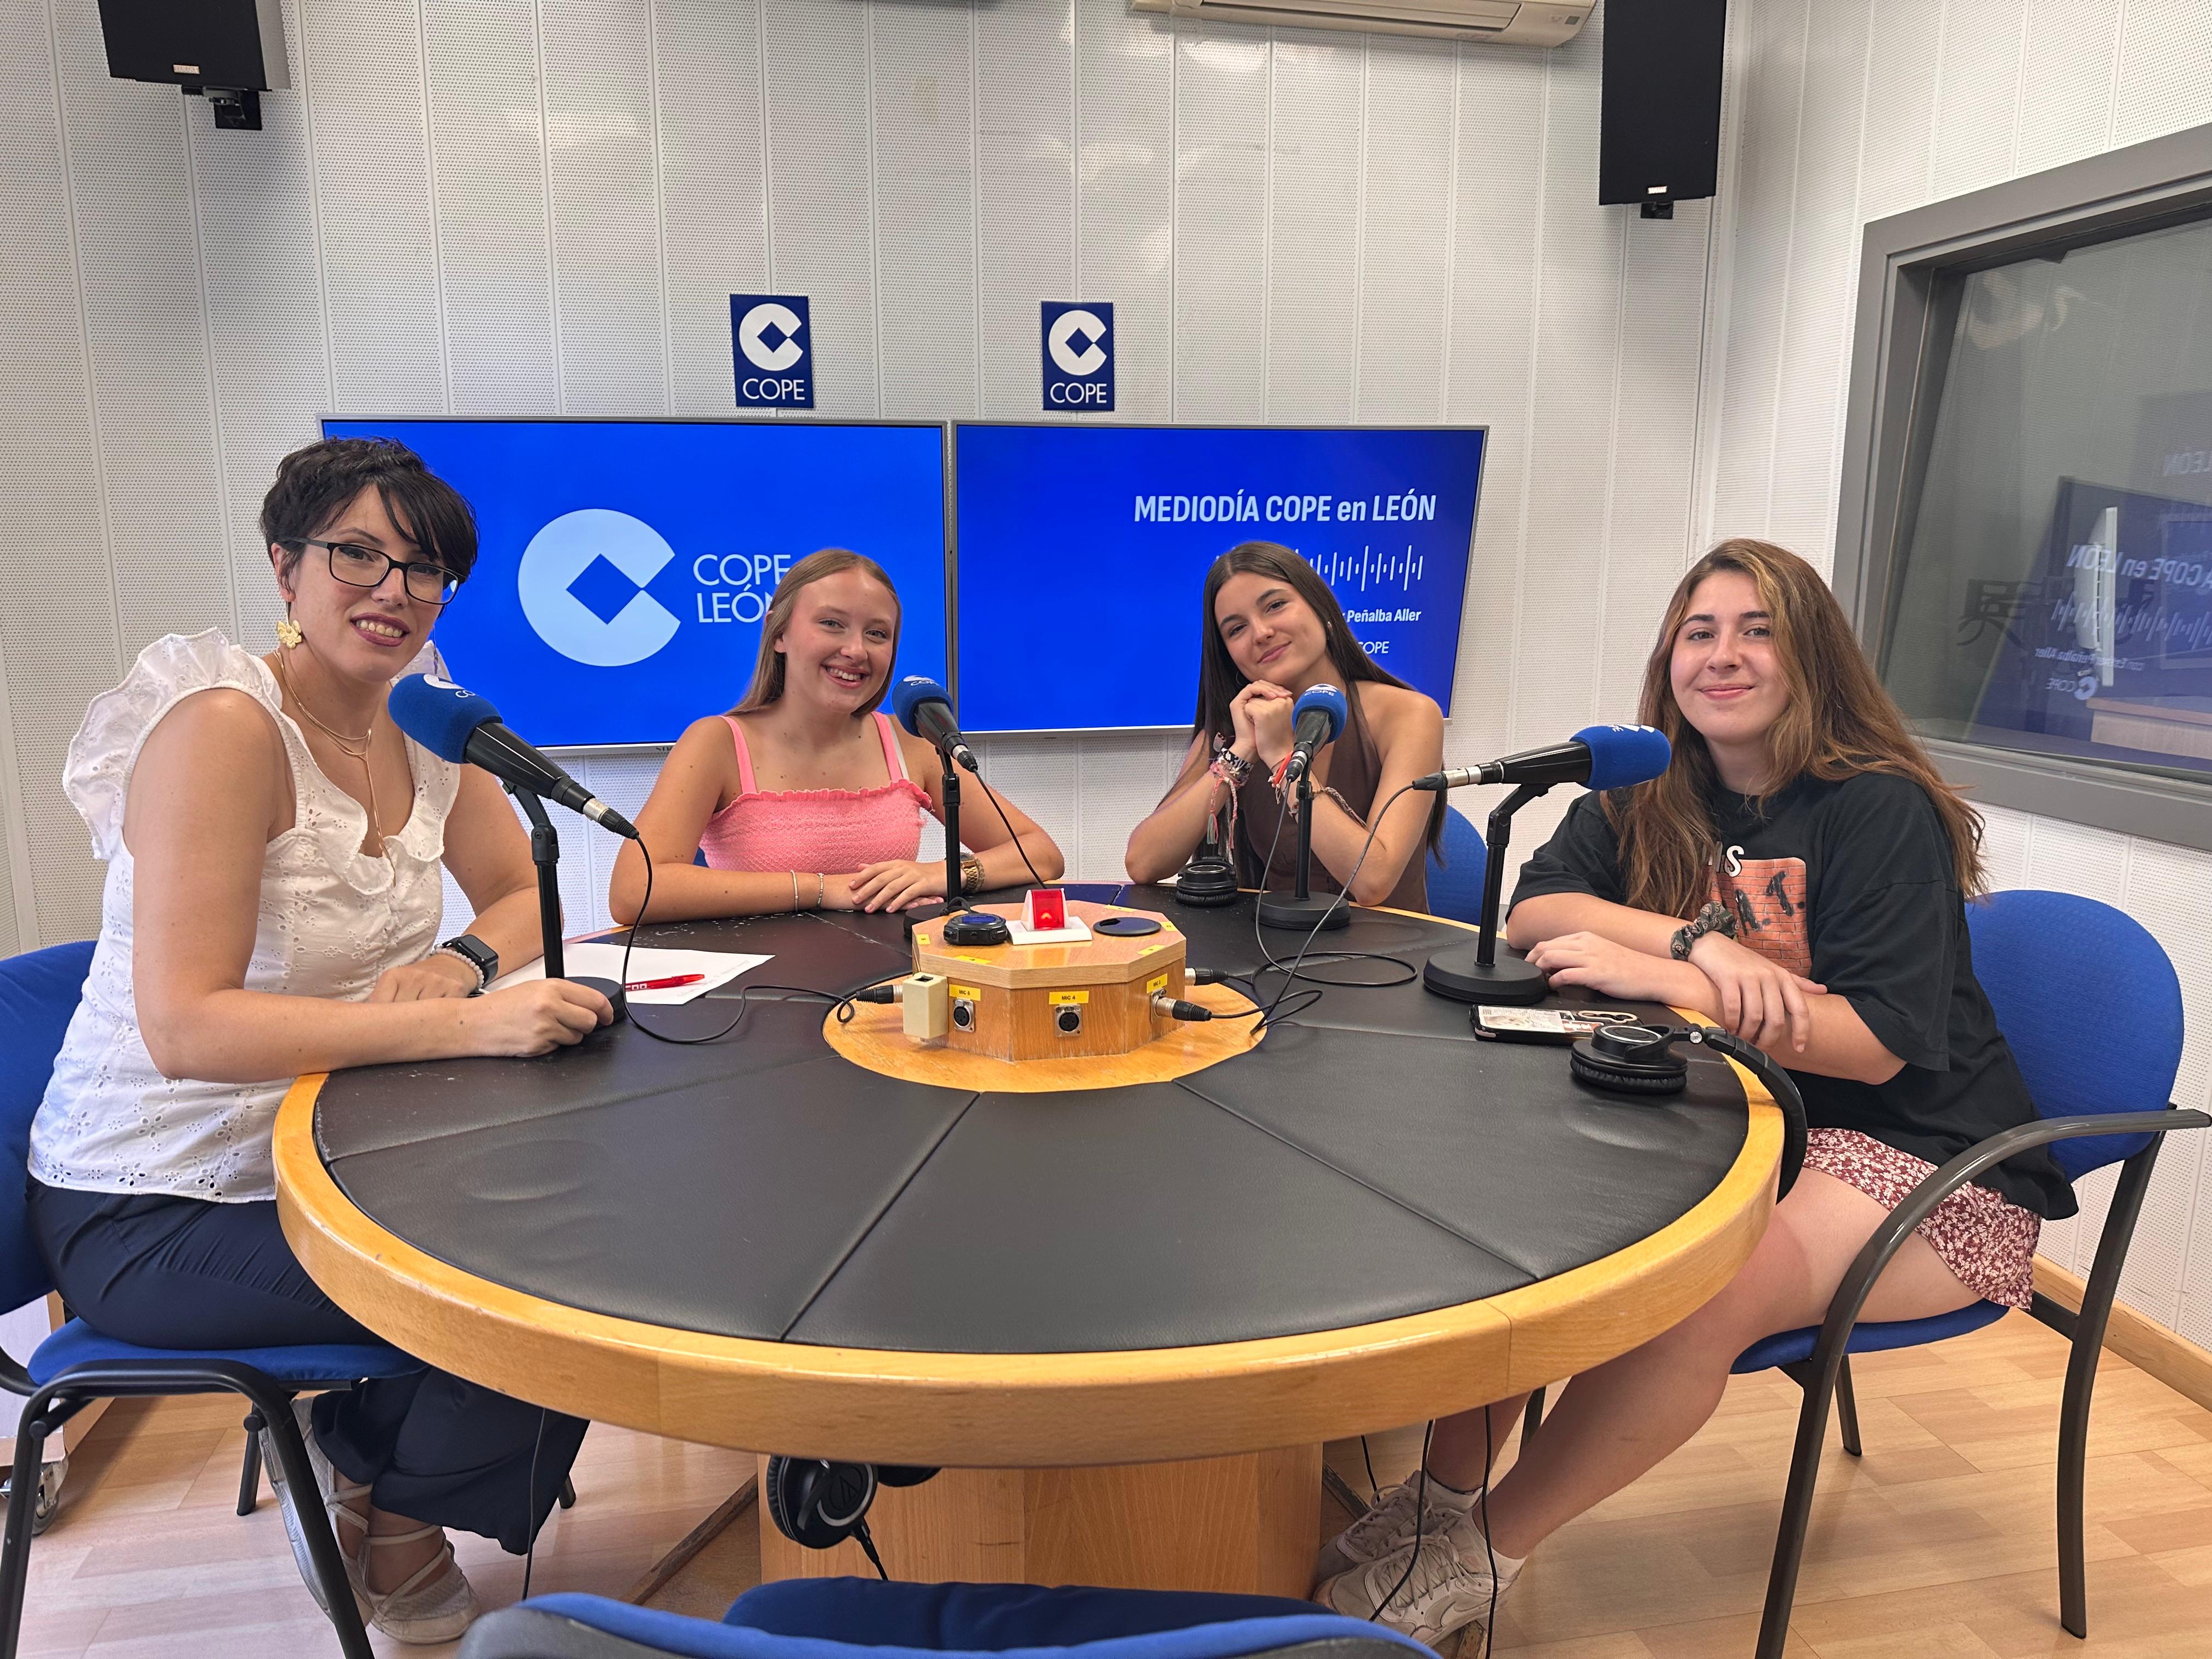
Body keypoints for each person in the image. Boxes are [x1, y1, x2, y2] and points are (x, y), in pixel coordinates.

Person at [1314, 538, 2075, 1647]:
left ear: (1811, 657)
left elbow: (1871, 1049)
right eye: (1699, 631)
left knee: (1702, 1284)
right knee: (1521, 1223)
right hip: (1754, 1123)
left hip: (1929, 1160)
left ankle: (1482, 1556)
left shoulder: (1878, 810)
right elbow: (1535, 912)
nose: (1723, 655)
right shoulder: (1652, 787)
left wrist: (1671, 979)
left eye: (1756, 630)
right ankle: (1441, 1502)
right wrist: (1696, 948)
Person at [29, 438, 614, 1644]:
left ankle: (369, 1470)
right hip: (155, 1200)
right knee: (528, 1293)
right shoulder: (225, 730)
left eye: (426, 568)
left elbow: (516, 895)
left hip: (329, 1143)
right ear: (286, 566)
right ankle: (390, 1513)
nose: (395, 590)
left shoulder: (424, 721)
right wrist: (463, 1023)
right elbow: (184, 1027)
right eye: (359, 554)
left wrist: (461, 961)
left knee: (592, 1220)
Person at [608, 549, 1063, 923]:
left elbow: (1041, 855)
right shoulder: (717, 743)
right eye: (832, 624)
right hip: (757, 1000)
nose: (856, 650)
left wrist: (939, 875)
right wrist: (822, 889)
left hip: (896, 987)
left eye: (877, 633)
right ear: (778, 633)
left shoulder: (913, 744)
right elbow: (635, 891)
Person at [1123, 542, 1444, 910]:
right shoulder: (1235, 729)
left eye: (1275, 606)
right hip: (1271, 956)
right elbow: (1143, 864)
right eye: (1237, 629)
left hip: (1386, 957)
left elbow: (1373, 882)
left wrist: (1282, 759)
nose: (1261, 633)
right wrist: (1241, 753)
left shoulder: (1408, 714)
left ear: (1320, 607)